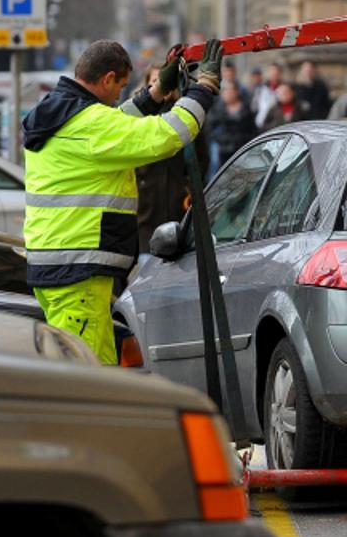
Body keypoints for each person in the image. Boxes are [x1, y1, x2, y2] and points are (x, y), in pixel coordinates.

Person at [22, 39, 223, 364]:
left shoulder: (60, 113)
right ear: (107, 79)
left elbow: (117, 121)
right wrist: (204, 89)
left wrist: (156, 92)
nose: (119, 95)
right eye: (120, 86)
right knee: (84, 376)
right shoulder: (91, 125)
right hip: (79, 271)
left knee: (91, 368)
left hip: (59, 263)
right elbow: (168, 134)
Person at [135, 66, 208, 259]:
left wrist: (190, 185)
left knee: (180, 258)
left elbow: (202, 156)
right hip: (147, 201)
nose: (158, 85)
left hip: (178, 197)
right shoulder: (140, 116)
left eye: (162, 80)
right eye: (153, 81)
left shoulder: (184, 112)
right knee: (148, 260)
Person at [208, 78, 257, 168]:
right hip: (223, 150)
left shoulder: (246, 110)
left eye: (230, 90)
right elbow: (211, 130)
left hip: (242, 151)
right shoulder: (217, 110)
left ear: (237, 92)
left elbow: (252, 130)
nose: (228, 93)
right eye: (225, 91)